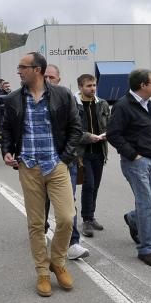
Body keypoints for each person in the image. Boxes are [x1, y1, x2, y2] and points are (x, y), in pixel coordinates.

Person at [0, 52, 82, 297]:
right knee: (36, 224)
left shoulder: (62, 95)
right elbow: (5, 128)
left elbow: (76, 128)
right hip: (29, 167)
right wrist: (6, 150)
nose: (18, 72)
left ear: (36, 69)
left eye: (22, 67)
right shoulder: (13, 99)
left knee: (67, 217)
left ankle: (57, 261)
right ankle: (43, 273)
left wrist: (64, 159)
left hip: (56, 166)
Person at [107, 68, 151, 268]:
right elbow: (113, 134)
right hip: (136, 163)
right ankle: (147, 249)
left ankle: (133, 218)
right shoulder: (123, 106)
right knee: (147, 204)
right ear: (143, 85)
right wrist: (134, 155)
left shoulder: (150, 104)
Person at [43, 64, 88, 262]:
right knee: (41, 202)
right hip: (38, 163)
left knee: (69, 204)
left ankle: (72, 243)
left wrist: (67, 157)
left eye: (51, 77)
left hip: (63, 162)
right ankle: (42, 229)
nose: (47, 80)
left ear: (59, 80)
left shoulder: (68, 99)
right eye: (45, 76)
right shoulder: (30, 101)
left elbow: (76, 130)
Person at [76, 74, 110, 236]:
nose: (92, 88)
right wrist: (88, 137)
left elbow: (109, 124)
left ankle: (91, 216)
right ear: (80, 87)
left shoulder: (102, 104)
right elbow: (73, 131)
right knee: (88, 185)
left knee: (95, 185)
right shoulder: (74, 105)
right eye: (88, 86)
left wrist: (107, 134)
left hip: (99, 151)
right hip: (82, 153)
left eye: (94, 85)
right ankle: (86, 220)